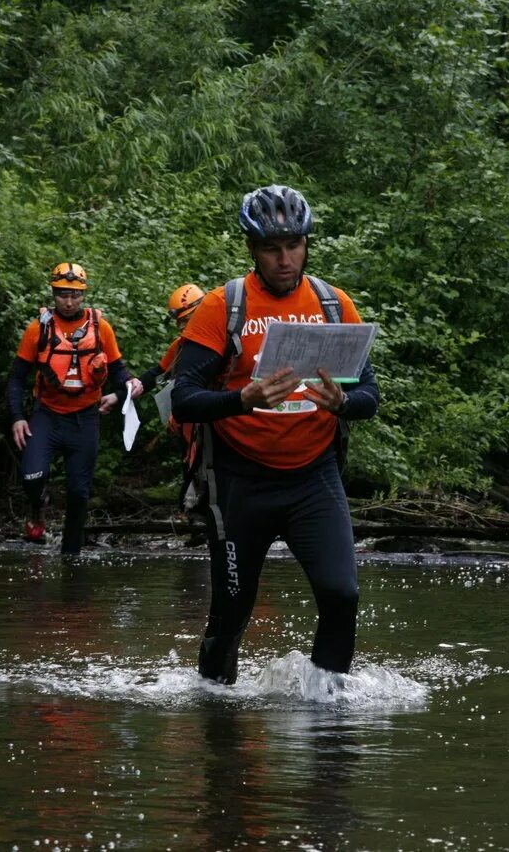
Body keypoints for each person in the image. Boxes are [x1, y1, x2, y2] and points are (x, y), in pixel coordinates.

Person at [170, 185, 380, 685]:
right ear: (252, 249)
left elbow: (370, 395)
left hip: (313, 476)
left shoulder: (333, 304)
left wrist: (344, 403)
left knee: (341, 594)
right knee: (232, 610)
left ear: (308, 244)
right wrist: (242, 399)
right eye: (271, 248)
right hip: (240, 479)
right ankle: (214, 709)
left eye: (294, 245)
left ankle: (327, 710)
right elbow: (183, 398)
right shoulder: (224, 306)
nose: (285, 259)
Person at [7, 261, 142, 553]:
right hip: (47, 416)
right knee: (32, 477)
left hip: (85, 419)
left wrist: (127, 388)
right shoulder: (38, 329)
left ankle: (71, 560)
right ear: (54, 294)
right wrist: (17, 418)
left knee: (79, 493)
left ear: (83, 295)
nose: (69, 302)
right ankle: (37, 508)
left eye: (75, 295)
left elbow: (119, 371)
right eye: (62, 295)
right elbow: (17, 378)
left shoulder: (101, 328)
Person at [137, 283, 206, 394]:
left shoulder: (225, 339)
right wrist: (121, 394)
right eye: (179, 321)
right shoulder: (181, 346)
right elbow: (158, 373)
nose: (181, 327)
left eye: (185, 320)